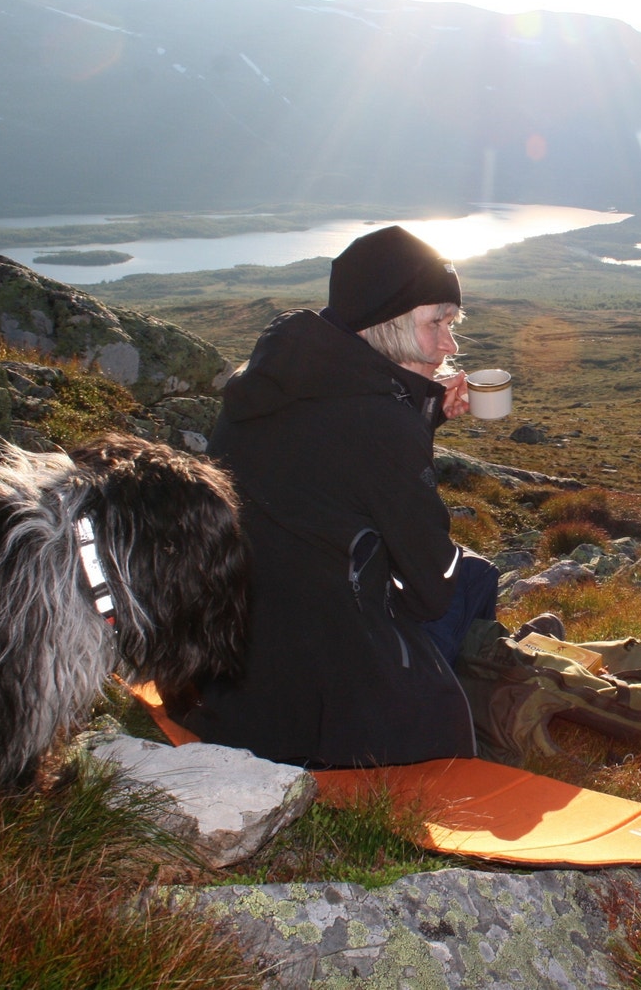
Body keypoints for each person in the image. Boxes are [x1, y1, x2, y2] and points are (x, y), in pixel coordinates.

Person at [179, 225, 497, 766]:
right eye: (436, 323)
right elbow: (430, 591)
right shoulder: (381, 424)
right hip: (320, 714)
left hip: (224, 674)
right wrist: (409, 424)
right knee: (471, 577)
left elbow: (331, 472)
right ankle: (474, 701)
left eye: (452, 323)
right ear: (384, 322)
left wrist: (420, 414)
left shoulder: (267, 381)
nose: (450, 346)